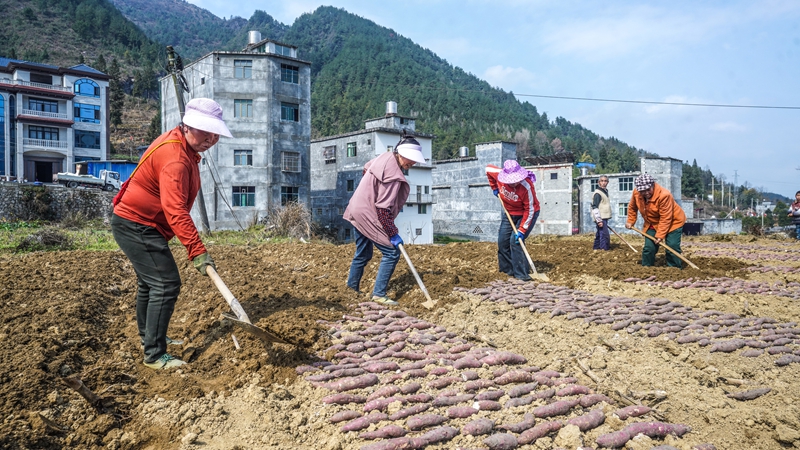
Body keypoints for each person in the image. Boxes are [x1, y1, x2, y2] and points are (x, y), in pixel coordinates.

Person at [111, 98, 232, 370]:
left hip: (142, 223)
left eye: (215, 133)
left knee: (150, 282)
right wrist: (197, 251)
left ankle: (149, 337)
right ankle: (154, 354)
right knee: (166, 284)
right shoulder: (175, 158)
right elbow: (175, 210)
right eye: (206, 131)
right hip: (136, 224)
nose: (211, 138)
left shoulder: (180, 143)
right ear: (187, 126)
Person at [344, 133, 426, 305]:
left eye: (414, 160)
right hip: (369, 212)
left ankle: (350, 290)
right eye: (409, 159)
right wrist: (392, 233)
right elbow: (382, 210)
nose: (412, 163)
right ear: (400, 153)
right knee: (391, 252)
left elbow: (366, 168)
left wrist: (369, 190)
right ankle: (379, 294)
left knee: (363, 253)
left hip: (356, 207)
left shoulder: (385, 156)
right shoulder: (394, 176)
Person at [486, 160, 541, 281]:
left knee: (515, 241)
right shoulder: (498, 175)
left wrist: (522, 230)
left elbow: (530, 210)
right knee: (502, 242)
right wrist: (494, 187)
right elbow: (488, 169)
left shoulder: (527, 186)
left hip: (526, 214)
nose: (514, 183)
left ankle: (522, 274)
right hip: (509, 212)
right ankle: (507, 271)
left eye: (516, 180)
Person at [625, 173, 686, 268]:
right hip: (652, 223)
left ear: (653, 185)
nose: (646, 193)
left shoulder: (664, 195)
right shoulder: (636, 193)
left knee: (672, 247)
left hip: (673, 222)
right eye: (642, 191)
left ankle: (674, 269)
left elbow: (666, 218)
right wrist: (630, 221)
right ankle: (646, 268)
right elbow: (632, 207)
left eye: (648, 190)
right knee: (649, 248)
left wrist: (660, 235)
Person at [591, 175, 612, 251]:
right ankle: (604, 249)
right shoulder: (598, 193)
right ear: (599, 182)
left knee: (600, 233)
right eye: (602, 181)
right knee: (604, 234)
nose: (604, 183)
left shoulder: (605, 192)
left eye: (605, 181)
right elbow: (594, 207)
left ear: (607, 182)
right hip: (600, 217)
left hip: (604, 216)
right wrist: (599, 220)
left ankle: (596, 248)